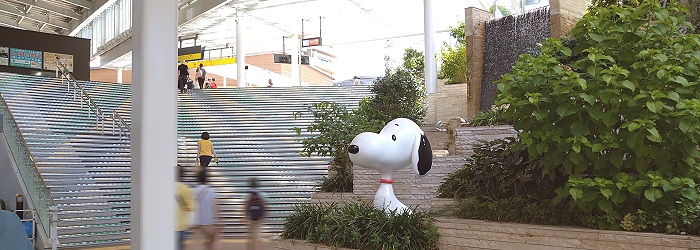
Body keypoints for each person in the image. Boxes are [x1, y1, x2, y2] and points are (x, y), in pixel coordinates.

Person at [192, 170, 220, 250]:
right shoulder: (211, 191)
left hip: (196, 222)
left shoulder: (193, 191)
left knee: (197, 243)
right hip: (208, 223)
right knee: (213, 238)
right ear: (207, 179)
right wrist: (218, 220)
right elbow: (215, 206)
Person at [176, 165, 195, 250]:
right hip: (180, 225)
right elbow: (190, 207)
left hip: (166, 225)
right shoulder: (184, 188)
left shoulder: (164, 187)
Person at [245, 177, 266, 250]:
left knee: (251, 237)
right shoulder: (261, 194)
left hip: (251, 218)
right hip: (258, 218)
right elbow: (264, 205)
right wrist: (263, 217)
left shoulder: (248, 194)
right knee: (258, 237)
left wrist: (244, 217)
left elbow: (245, 206)